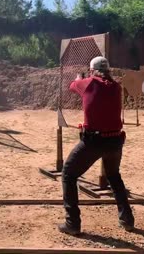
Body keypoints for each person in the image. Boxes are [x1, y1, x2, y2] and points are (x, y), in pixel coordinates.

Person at [58, 56, 135, 236]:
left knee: (68, 174)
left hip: (95, 141)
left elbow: (72, 86)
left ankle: (72, 223)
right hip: (115, 140)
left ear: (92, 71)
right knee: (114, 177)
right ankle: (127, 219)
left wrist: (80, 77)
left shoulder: (88, 83)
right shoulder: (116, 87)